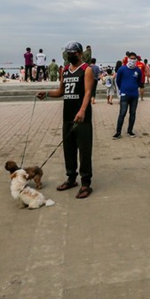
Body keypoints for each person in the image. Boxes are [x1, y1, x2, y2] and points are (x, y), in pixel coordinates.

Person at [37, 41, 95, 199]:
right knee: (68, 150)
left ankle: (85, 183)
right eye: (68, 54)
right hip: (67, 117)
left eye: (73, 53)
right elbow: (61, 91)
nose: (71, 56)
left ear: (80, 53)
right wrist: (47, 94)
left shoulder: (86, 70)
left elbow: (88, 92)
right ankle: (71, 178)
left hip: (82, 119)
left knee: (84, 151)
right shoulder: (65, 71)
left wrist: (82, 110)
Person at [114, 52, 142, 139]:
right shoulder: (122, 69)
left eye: (134, 59)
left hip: (134, 95)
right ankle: (118, 132)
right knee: (122, 113)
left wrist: (134, 88)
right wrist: (122, 89)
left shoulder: (138, 70)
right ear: (128, 59)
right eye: (131, 58)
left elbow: (139, 81)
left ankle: (130, 130)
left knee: (132, 113)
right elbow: (118, 81)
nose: (132, 60)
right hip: (124, 95)